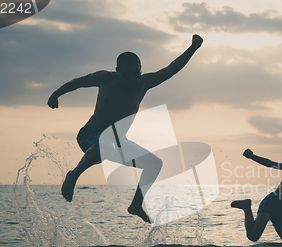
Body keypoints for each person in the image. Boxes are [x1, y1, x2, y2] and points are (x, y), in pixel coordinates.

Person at [47, 34, 204, 223]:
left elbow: (172, 68)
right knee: (103, 149)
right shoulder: (105, 78)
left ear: (140, 72)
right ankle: (73, 175)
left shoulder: (143, 83)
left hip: (118, 141)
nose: (131, 79)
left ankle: (136, 204)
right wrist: (55, 95)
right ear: (117, 71)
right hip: (90, 134)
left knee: (154, 163)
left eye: (135, 74)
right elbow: (78, 82)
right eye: (126, 75)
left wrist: (193, 48)